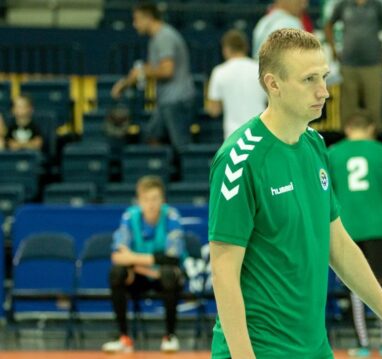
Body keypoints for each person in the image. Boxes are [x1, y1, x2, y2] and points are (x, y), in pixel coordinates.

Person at [207, 29, 382, 359]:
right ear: (273, 84)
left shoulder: (315, 146)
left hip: (315, 348)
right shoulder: (239, 160)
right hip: (258, 350)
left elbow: (337, 243)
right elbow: (223, 271)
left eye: (323, 77)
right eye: (309, 79)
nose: (323, 91)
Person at [327, 113, 382, 357]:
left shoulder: (332, 153)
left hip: (346, 229)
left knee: (355, 285)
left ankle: (362, 344)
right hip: (377, 227)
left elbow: (325, 193)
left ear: (348, 127)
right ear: (371, 128)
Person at [102, 176, 186, 353]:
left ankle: (170, 336)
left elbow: (173, 257)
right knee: (117, 273)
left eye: (155, 199)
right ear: (139, 201)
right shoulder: (129, 217)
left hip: (164, 279)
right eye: (146, 199)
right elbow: (118, 256)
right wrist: (148, 266)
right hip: (139, 276)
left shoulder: (171, 216)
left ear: (163, 200)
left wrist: (133, 258)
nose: (151, 204)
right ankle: (124, 338)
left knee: (169, 273)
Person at [111, 1, 195, 151]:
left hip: (176, 100)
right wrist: (126, 82)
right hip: (167, 100)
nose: (134, 24)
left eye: (136, 19)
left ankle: (194, 174)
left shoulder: (164, 37)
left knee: (181, 146)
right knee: (151, 135)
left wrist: (142, 72)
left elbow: (167, 71)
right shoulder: (157, 38)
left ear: (148, 17)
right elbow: (153, 67)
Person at [325, 0, 382, 131]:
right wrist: (333, 49)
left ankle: (374, 142)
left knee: (375, 107)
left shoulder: (379, 3)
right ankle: (347, 143)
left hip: (373, 64)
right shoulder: (343, 3)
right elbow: (328, 24)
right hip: (348, 64)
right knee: (348, 108)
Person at [206, 29, 267, 139]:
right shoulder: (261, 70)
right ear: (246, 47)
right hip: (260, 131)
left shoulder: (219, 71)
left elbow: (213, 110)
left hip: (233, 135)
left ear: (226, 49)